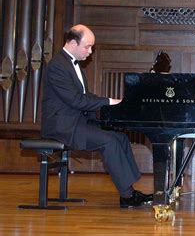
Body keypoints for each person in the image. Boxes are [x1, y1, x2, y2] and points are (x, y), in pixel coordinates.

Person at [41, 24, 153, 208]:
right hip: (63, 126)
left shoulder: (73, 66)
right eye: (87, 46)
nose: (91, 51)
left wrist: (115, 102)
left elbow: (86, 97)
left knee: (121, 138)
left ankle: (130, 190)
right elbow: (76, 101)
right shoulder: (57, 66)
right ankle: (127, 196)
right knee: (109, 142)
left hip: (77, 122)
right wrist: (108, 102)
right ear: (71, 43)